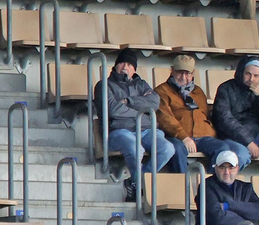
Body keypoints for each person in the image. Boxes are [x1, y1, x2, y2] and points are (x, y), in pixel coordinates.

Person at [95, 49, 181, 202]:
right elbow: (113, 110)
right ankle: (141, 185)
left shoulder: (141, 84)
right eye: (122, 63)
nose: (125, 67)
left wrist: (129, 102)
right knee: (136, 149)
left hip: (146, 130)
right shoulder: (104, 85)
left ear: (134, 68)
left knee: (168, 149)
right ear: (115, 66)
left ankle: (135, 183)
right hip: (119, 131)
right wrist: (141, 112)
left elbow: (154, 103)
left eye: (129, 64)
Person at [155, 54, 238, 172]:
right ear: (172, 70)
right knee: (177, 149)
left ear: (193, 73)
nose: (184, 77)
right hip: (177, 137)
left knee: (222, 148)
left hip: (203, 136)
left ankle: (210, 184)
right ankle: (183, 186)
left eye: (187, 73)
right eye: (180, 72)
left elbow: (206, 115)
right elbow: (165, 118)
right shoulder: (162, 91)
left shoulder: (198, 91)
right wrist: (184, 137)